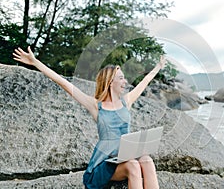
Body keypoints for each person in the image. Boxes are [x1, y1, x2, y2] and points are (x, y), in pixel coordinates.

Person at [13, 46, 166, 189]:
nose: (125, 81)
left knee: (146, 160)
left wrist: (158, 66)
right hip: (105, 163)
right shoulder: (95, 105)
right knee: (133, 165)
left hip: (125, 156)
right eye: (121, 78)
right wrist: (35, 62)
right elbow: (64, 83)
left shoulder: (126, 101)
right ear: (110, 81)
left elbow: (145, 82)